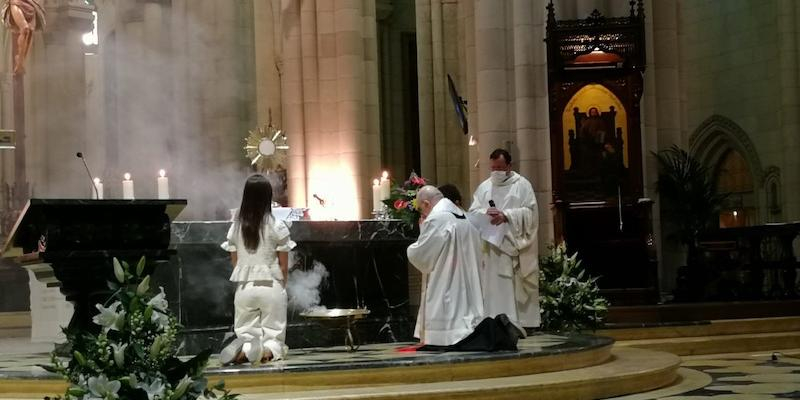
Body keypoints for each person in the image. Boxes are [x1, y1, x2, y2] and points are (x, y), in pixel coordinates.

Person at [408, 186, 520, 351]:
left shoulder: (437, 219)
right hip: (464, 279)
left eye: (422, 209)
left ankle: (446, 338)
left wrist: (417, 239)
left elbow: (422, 253)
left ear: (426, 203)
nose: (423, 214)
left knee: (451, 323)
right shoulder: (463, 217)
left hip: (447, 279)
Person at [219, 174, 295, 364]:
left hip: (244, 289)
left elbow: (235, 263)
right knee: (274, 336)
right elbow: (284, 266)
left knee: (246, 331)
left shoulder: (236, 228)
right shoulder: (277, 226)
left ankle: (244, 348)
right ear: (268, 197)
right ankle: (264, 352)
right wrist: (282, 287)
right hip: (271, 286)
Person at [469, 149, 540, 333]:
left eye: (500, 167)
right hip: (491, 247)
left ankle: (519, 323)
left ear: (509, 166)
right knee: (494, 286)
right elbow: (473, 213)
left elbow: (531, 213)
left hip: (513, 244)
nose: (496, 171)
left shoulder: (522, 185)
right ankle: (494, 322)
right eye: (493, 168)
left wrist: (506, 216)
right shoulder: (484, 187)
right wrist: (487, 213)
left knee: (514, 285)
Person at [1, 0, 45, 75]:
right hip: (17, 2)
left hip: (31, 4)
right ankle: (19, 63)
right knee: (25, 29)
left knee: (30, 32)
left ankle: (20, 61)